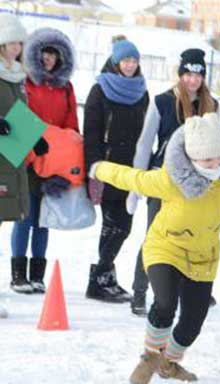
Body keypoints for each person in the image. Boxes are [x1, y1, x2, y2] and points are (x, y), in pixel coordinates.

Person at [91, 113, 220, 384]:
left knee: (192, 323)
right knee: (165, 303)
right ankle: (149, 357)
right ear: (192, 157)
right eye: (208, 160)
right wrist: (99, 168)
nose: (216, 165)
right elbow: (132, 178)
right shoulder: (171, 179)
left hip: (203, 257)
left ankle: (168, 364)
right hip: (166, 248)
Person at [130, 48, 218, 316]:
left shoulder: (211, 105)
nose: (193, 80)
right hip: (164, 179)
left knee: (194, 236)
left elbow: (217, 146)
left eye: (198, 74)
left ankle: (191, 289)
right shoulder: (162, 102)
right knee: (155, 237)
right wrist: (136, 185)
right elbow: (145, 144)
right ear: (180, 75)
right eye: (188, 74)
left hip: (196, 182)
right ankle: (139, 291)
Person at [9, 27, 77, 294]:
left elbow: (71, 126)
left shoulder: (66, 88)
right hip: (26, 158)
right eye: (44, 53)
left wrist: (67, 161)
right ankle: (18, 275)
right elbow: (16, 115)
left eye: (54, 53)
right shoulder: (24, 81)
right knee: (24, 217)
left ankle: (37, 275)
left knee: (43, 219)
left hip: (54, 163)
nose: (49, 58)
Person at [84, 37, 149, 303]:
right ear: (115, 62)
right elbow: (91, 131)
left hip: (132, 168)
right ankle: (100, 278)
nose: (130, 65)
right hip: (107, 166)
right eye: (125, 60)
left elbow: (146, 132)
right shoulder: (100, 90)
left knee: (123, 225)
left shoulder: (142, 92)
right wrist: (95, 165)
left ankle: (102, 277)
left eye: (134, 60)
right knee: (114, 224)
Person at [0, 13, 33, 316]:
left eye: (19, 43)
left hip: (11, 158)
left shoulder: (18, 75)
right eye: (11, 42)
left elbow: (20, 116)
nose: (16, 48)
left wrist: (37, 139)